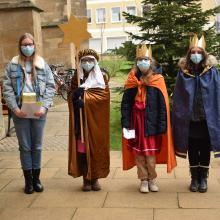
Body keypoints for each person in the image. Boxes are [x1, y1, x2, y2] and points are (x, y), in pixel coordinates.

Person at [3, 33, 55, 194]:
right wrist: (15, 109)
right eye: (24, 44)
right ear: (20, 46)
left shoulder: (41, 64)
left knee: (37, 146)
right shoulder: (12, 65)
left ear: (34, 45)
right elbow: (7, 89)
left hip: (39, 110)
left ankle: (37, 179)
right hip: (20, 111)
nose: (27, 47)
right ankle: (28, 181)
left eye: (30, 44)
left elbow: (50, 86)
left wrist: (44, 107)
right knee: (25, 147)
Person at [121, 44, 176, 193]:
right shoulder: (132, 79)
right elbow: (126, 103)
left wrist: (161, 125)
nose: (142, 62)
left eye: (145, 59)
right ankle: (143, 180)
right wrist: (125, 122)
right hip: (135, 121)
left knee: (150, 153)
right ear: (136, 62)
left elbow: (163, 106)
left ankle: (152, 178)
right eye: (139, 60)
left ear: (151, 61)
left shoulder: (158, 79)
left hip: (150, 122)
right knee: (138, 153)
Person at [172, 34, 220, 193]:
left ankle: (203, 177)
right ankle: (194, 177)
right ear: (189, 54)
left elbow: (217, 93)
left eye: (199, 52)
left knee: (205, 147)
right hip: (190, 118)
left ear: (204, 54)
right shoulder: (184, 72)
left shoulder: (212, 72)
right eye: (192, 52)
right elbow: (178, 96)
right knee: (192, 148)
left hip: (207, 117)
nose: (196, 55)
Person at [68, 49, 110, 191]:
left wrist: (85, 100)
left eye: (90, 60)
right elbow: (71, 94)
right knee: (82, 150)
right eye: (84, 60)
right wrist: (75, 97)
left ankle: (95, 178)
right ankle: (86, 179)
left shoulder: (101, 77)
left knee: (95, 148)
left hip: (96, 122)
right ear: (80, 62)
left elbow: (103, 97)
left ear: (95, 62)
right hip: (81, 122)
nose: (87, 63)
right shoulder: (77, 77)